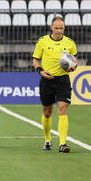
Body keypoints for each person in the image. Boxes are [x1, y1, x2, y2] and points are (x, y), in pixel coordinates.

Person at [32, 16, 77, 153]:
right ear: (51, 27)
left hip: (63, 80)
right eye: (56, 28)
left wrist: (73, 66)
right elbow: (35, 60)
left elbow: (74, 61)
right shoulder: (43, 41)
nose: (59, 30)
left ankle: (63, 143)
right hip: (47, 80)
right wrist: (40, 71)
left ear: (64, 28)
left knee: (62, 108)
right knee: (47, 112)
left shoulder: (70, 43)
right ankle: (47, 139)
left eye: (61, 28)